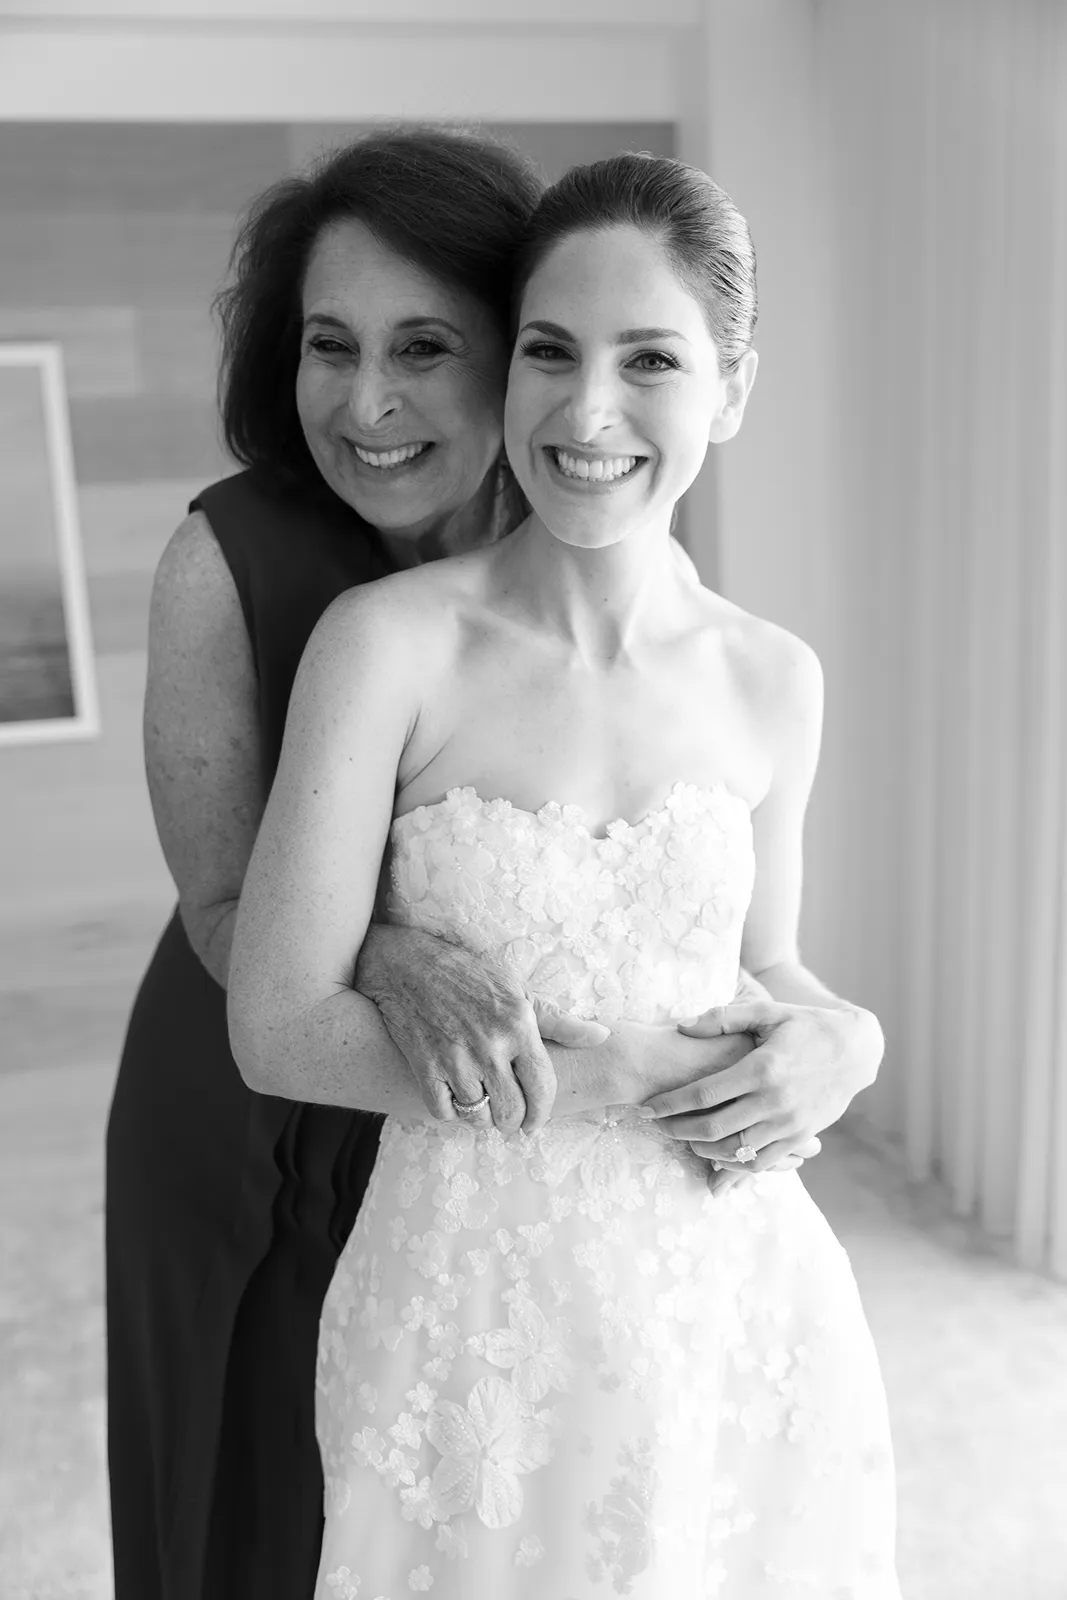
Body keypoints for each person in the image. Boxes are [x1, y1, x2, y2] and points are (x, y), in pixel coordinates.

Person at [106, 129, 857, 1600]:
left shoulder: (673, 596)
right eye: (330, 347)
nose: (368, 402)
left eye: (425, 346)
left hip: (610, 1207)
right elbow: (236, 924)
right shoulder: (259, 573)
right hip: (265, 1100)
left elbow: (749, 948)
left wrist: (845, 1031)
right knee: (254, 1493)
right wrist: (383, 951)